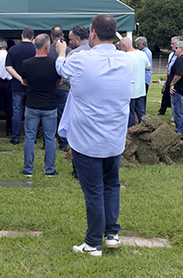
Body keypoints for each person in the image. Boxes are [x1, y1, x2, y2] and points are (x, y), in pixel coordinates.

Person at [56, 14, 131, 257]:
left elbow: (61, 69)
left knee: (94, 191)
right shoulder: (127, 61)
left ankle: (92, 243)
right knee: (111, 185)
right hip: (114, 137)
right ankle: (111, 234)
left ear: (93, 33)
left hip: (87, 139)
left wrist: (60, 51)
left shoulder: (80, 59)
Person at [17, 33, 60, 177]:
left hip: (32, 104)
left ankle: (28, 168)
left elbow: (25, 81)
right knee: (50, 138)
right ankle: (50, 169)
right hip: (50, 104)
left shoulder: (26, 63)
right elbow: (57, 83)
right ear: (48, 46)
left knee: (29, 137)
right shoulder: (54, 63)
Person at [5, 28, 36, 144]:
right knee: (31, 113)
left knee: (17, 112)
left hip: (17, 86)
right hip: (32, 86)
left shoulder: (13, 49)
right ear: (33, 37)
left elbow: (8, 67)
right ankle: (31, 137)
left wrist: (19, 78)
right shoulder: (35, 49)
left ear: (21, 36)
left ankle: (16, 137)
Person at [166, 41, 183, 139]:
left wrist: (172, 84)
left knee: (178, 112)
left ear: (182, 49)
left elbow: (179, 74)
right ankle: (180, 131)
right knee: (180, 111)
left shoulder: (180, 60)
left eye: (176, 48)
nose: (174, 49)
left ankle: (179, 132)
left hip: (179, 90)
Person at [120, 37, 150, 127]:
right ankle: (144, 130)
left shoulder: (125, 56)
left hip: (130, 90)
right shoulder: (142, 54)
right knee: (141, 113)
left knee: (131, 113)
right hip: (141, 90)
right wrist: (140, 67)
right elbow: (149, 67)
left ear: (124, 45)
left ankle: (132, 131)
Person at [0, 38, 13, 138]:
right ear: (6, 46)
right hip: (9, 83)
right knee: (9, 108)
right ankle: (9, 130)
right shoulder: (10, 56)